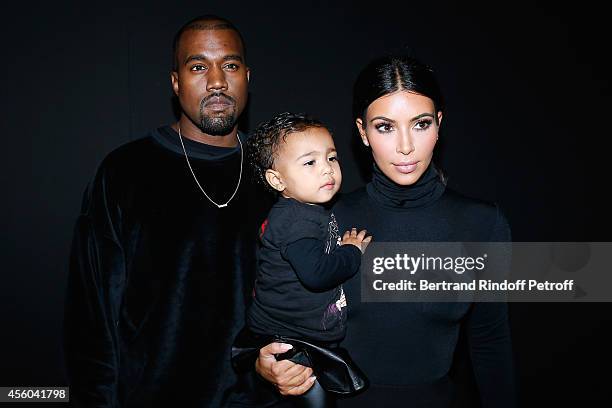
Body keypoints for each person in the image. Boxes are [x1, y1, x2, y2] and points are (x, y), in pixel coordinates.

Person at [256, 55, 516, 408]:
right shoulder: (325, 218)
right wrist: (265, 363)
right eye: (385, 127)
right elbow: (276, 310)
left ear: (439, 124)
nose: (405, 146)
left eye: (420, 124)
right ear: (362, 132)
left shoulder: (482, 224)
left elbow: (490, 343)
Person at [63, 15, 269, 407]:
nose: (217, 82)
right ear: (175, 83)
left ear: (247, 76)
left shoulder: (276, 173)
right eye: (197, 67)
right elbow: (92, 318)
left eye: (230, 65)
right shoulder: (125, 172)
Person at [231, 112, 370, 407]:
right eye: (310, 162)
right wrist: (352, 252)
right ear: (277, 179)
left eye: (331, 158)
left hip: (298, 334)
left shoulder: (303, 210)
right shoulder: (296, 220)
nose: (326, 170)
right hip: (292, 342)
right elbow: (316, 274)